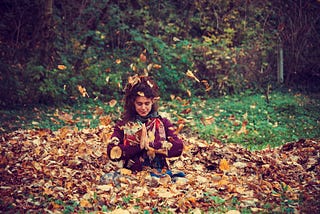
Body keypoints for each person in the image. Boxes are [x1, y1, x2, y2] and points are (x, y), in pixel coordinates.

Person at [107, 75, 184, 173]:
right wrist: (138, 146)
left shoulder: (163, 122)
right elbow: (111, 152)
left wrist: (152, 145)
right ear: (133, 103)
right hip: (131, 174)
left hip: (159, 172)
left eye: (147, 103)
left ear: (152, 102)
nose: (143, 108)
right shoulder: (123, 124)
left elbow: (178, 147)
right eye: (139, 104)